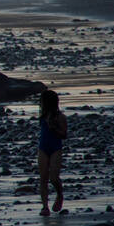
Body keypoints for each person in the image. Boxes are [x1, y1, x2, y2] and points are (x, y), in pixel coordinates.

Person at [37, 89, 68, 217]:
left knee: (54, 178)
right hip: (42, 148)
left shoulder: (60, 117)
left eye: (42, 101)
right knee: (43, 178)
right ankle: (45, 206)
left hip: (55, 148)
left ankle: (59, 195)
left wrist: (54, 127)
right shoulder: (42, 115)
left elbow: (64, 135)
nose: (40, 104)